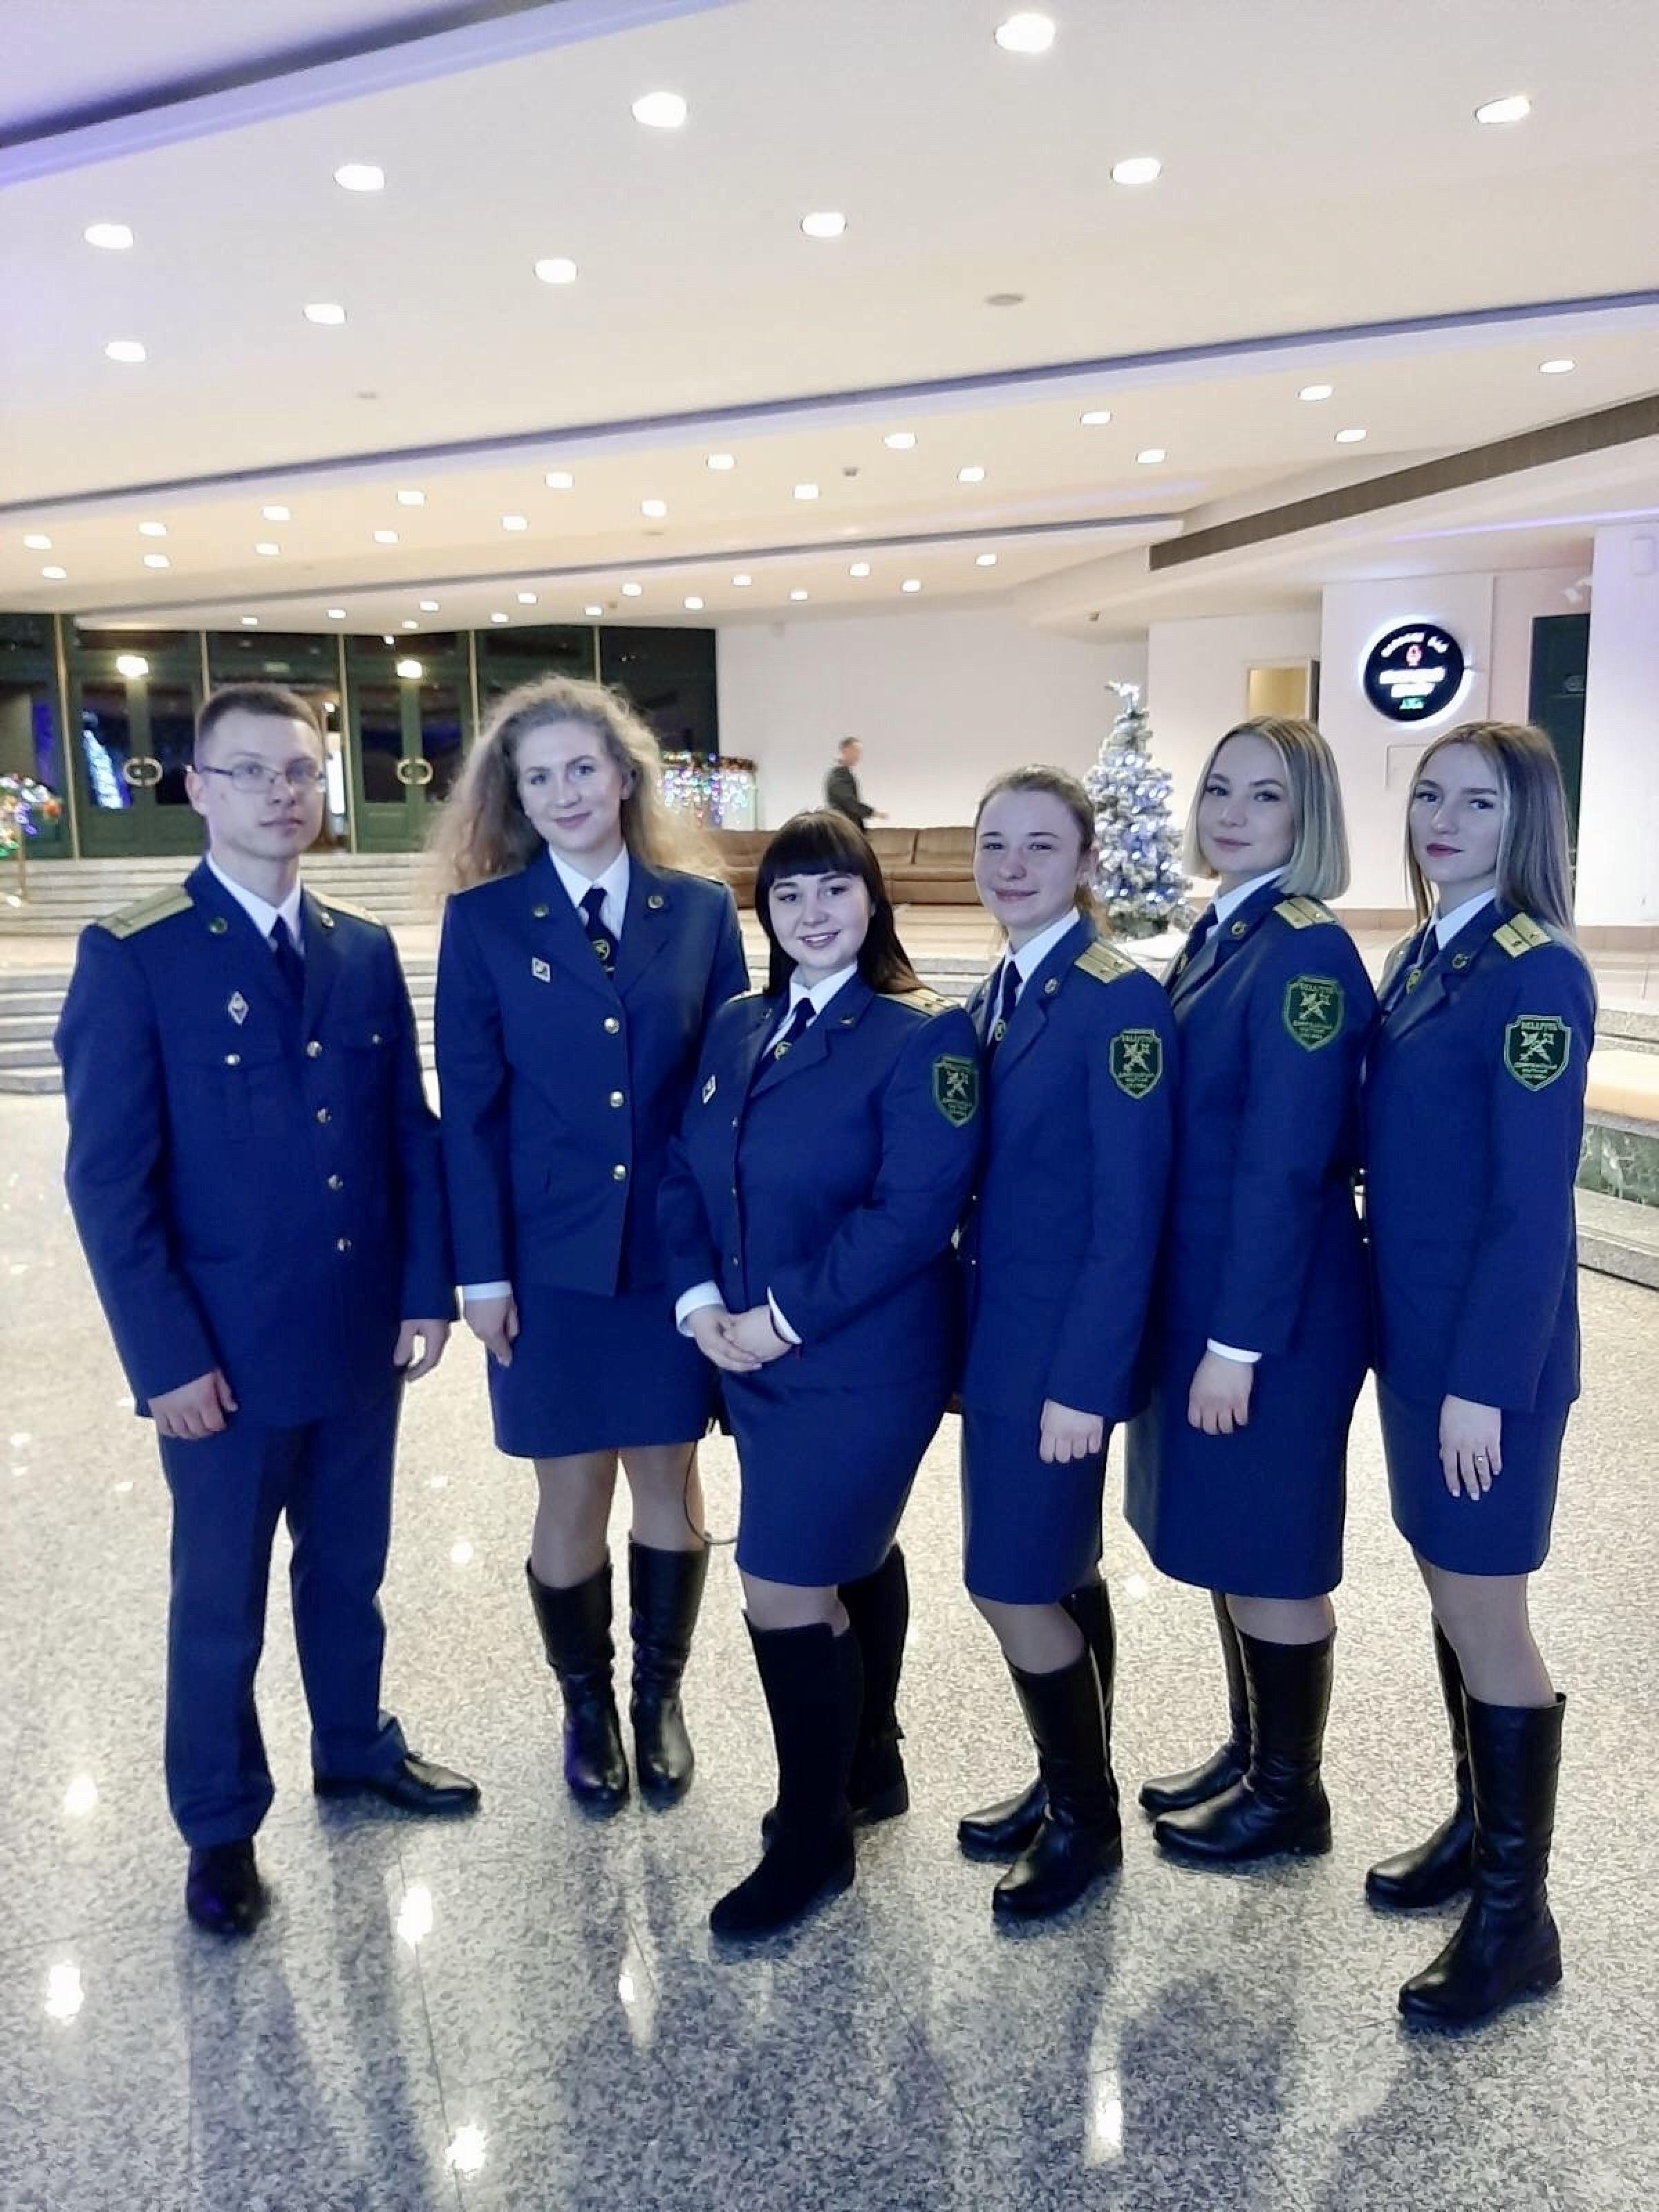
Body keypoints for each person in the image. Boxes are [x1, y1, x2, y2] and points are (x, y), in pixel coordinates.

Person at [55, 682, 477, 1940]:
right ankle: (220, 1824)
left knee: (349, 1570)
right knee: (219, 1601)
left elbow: (407, 1132)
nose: (282, 795)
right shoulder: (136, 953)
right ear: (197, 788)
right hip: (222, 1360)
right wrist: (165, 1360)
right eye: (249, 771)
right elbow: (109, 1183)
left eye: (300, 771)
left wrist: (424, 1288)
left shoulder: (359, 947)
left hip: (356, 1334)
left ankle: (353, 1746)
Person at [661, 811, 981, 1937]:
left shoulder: (921, 1035)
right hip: (750, 1351)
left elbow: (913, 1215)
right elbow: (685, 1173)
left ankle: (813, 1840)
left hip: (861, 1362)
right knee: (852, 1555)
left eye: (834, 889)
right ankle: (867, 1767)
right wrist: (699, 1303)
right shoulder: (741, 1025)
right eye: (788, 894)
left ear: (873, 899)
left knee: (783, 1583)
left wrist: (781, 1319)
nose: (812, 913)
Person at [433, 675, 747, 1815]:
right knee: (569, 1494)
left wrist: (729, 1265)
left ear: (624, 777)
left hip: (671, 1259)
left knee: (668, 1477)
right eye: (539, 777)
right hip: (548, 1264)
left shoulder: (699, 913)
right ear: (514, 797)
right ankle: (587, 1707)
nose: (564, 792)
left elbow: (726, 1099)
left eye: (582, 767)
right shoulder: (484, 923)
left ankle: (659, 1699)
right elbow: (469, 1113)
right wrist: (479, 1272)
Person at [1363, 720, 1591, 2027]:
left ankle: (1518, 1921)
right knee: (1448, 1587)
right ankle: (1474, 1830)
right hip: (1419, 1342)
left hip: (1483, 1362)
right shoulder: (1425, 956)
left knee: (1488, 1612)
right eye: (1432, 797)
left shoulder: (1534, 975)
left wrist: (1484, 1383)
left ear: (1528, 826)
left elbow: (1531, 1208)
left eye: (1480, 805)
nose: (1444, 823)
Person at [1124, 716, 1374, 1866]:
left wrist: (1238, 1344)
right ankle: (1252, 1750)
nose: (1230, 812)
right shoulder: (1229, 930)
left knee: (1272, 1544)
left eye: (1265, 796)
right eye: (1220, 788)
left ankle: (1290, 1796)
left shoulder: (1305, 954)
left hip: (1272, 1314)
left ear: (1306, 817)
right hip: (1216, 1294)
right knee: (1231, 1530)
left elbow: (1285, 1164)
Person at [953, 768, 1178, 1920]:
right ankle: (1065, 1781)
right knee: (1059, 1571)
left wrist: (1087, 1381)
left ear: (1087, 862)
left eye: (1042, 845)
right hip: (1001, 1339)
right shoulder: (1001, 987)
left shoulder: (1115, 1002)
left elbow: (1129, 1216)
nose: (1014, 865)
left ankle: (1088, 1824)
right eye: (996, 843)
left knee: (1008, 1582)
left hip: (1054, 1357)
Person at [824, 736, 883, 828]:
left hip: (844, 826)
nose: (858, 757)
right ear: (845, 751)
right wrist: (873, 813)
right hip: (841, 828)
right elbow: (849, 802)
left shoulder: (843, 774)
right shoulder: (838, 775)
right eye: (856, 751)